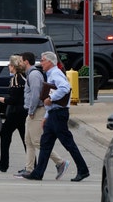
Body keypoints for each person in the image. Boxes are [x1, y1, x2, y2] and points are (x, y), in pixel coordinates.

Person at [23, 51, 90, 182]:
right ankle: (38, 173)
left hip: (59, 114)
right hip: (53, 114)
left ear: (50, 62)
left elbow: (65, 88)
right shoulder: (50, 74)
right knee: (45, 144)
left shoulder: (55, 73)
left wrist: (51, 98)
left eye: (43, 60)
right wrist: (46, 116)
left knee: (68, 143)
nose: (41, 63)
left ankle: (83, 170)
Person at [15, 51, 69, 179]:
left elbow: (35, 94)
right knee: (28, 141)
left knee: (37, 141)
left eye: (21, 61)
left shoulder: (34, 75)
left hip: (37, 111)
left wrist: (32, 111)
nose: (20, 64)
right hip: (32, 110)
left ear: (26, 61)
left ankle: (60, 162)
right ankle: (29, 169)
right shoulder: (31, 74)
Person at [0, 55, 28, 172]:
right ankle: (31, 164)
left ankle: (3, 163)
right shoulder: (23, 77)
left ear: (14, 66)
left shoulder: (16, 80)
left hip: (16, 112)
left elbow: (14, 100)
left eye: (10, 65)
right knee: (25, 138)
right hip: (22, 111)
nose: (8, 67)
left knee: (5, 134)